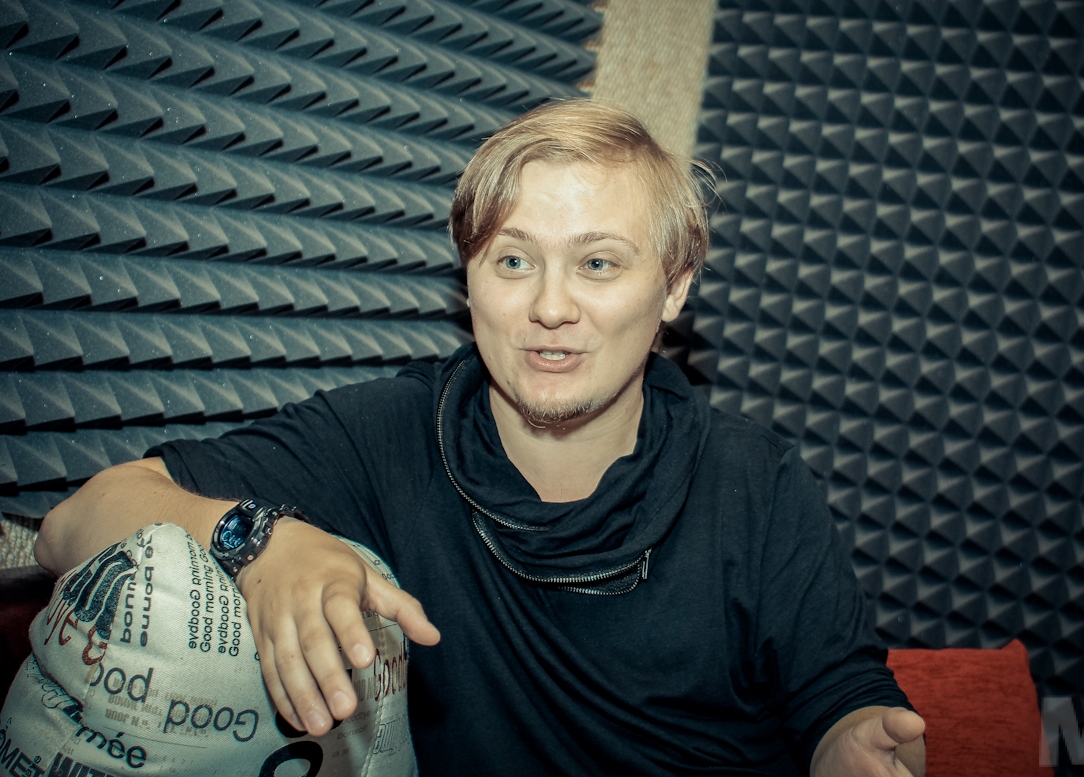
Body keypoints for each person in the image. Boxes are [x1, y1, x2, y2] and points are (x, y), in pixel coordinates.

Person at [35, 100, 925, 776]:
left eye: (598, 263)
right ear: (470, 278)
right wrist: (260, 540)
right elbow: (74, 521)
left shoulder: (753, 478)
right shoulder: (387, 436)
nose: (549, 306)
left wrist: (855, 744)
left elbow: (841, 701)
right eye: (513, 260)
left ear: (675, 286)